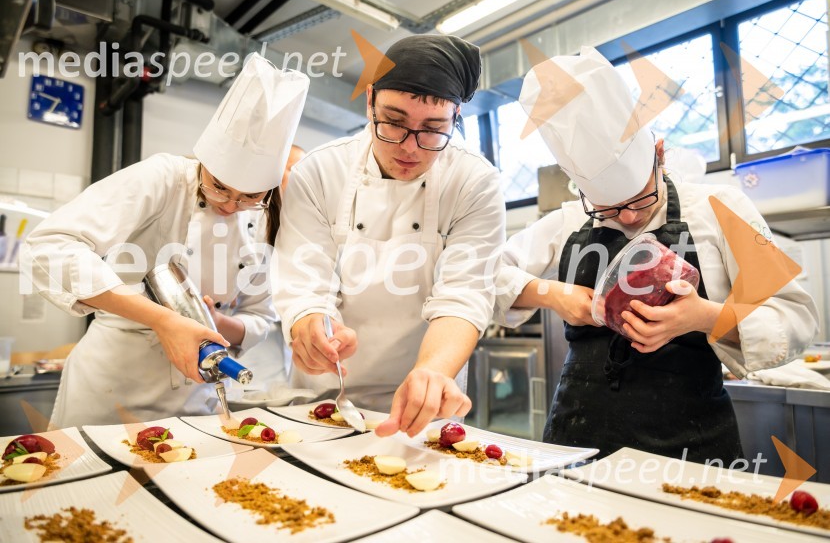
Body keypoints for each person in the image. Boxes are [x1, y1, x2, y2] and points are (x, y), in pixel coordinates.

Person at [494, 46, 819, 463]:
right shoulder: (570, 219)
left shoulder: (722, 207)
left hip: (690, 446)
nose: (628, 216)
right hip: (575, 442)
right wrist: (550, 295)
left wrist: (702, 316)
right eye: (608, 209)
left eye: (640, 198)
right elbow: (484, 276)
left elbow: (795, 317)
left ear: (659, 154)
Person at [21, 54, 309, 427]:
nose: (230, 206)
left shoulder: (268, 214)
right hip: (113, 387)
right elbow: (49, 248)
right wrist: (162, 319)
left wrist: (216, 320)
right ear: (204, 161)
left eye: (250, 197)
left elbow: (259, 317)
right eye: (219, 187)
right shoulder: (165, 177)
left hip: (196, 393)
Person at [274, 34, 505, 437]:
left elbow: (464, 294)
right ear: (370, 100)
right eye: (393, 122)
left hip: (423, 397)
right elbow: (304, 280)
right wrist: (310, 324)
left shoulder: (474, 181)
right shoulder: (319, 171)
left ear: (456, 118)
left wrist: (432, 372)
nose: (409, 148)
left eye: (433, 130)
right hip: (327, 395)